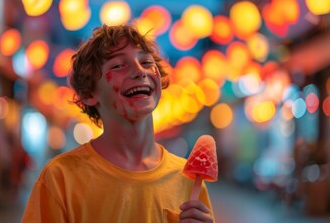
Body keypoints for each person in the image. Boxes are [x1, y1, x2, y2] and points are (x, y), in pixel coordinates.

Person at [21, 24, 215, 222]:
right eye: (118, 66)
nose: (140, 72)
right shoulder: (60, 178)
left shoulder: (189, 180)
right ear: (89, 94)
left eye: (147, 62)